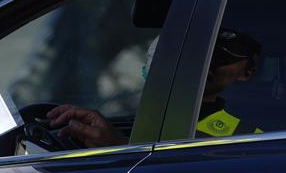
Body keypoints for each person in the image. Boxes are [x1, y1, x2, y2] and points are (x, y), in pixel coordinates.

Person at [46, 29, 262, 147]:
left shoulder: (251, 135)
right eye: (202, 52)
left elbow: (209, 169)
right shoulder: (142, 119)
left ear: (247, 72)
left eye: (222, 57)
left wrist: (120, 145)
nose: (205, 62)